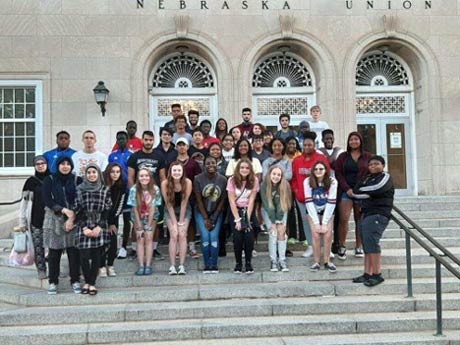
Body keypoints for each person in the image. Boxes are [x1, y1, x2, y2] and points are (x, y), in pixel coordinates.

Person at [352, 155, 394, 287]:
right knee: (367, 243)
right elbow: (355, 192)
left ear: (383, 165)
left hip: (378, 214)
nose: (373, 166)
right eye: (370, 165)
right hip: (365, 213)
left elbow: (378, 188)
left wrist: (365, 191)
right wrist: (366, 192)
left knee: (372, 242)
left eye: (376, 164)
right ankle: (367, 273)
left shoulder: (385, 177)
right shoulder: (367, 178)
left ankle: (377, 274)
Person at [42, 156, 81, 295]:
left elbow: (80, 200)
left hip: (74, 220)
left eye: (68, 164)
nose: (65, 166)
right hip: (54, 219)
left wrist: (72, 217)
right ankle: (53, 282)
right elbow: (47, 200)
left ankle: (75, 280)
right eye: (62, 164)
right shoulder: (50, 180)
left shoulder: (77, 180)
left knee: (74, 252)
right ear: (57, 165)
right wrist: (64, 210)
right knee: (54, 253)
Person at [73, 164, 112, 295]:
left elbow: (107, 209)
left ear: (98, 174)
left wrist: (99, 226)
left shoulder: (104, 189)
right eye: (89, 172)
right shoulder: (80, 189)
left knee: (96, 256)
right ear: (86, 175)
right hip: (84, 224)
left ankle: (92, 283)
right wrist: (84, 227)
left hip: (99, 224)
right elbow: (77, 209)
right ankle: (87, 281)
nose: (91, 175)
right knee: (84, 256)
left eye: (94, 172)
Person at [291, 132, 330, 258]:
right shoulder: (296, 160)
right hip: (302, 198)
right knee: (306, 221)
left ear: (314, 145)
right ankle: (311, 245)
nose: (307, 147)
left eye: (310, 145)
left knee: (321, 221)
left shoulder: (321, 159)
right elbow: (294, 179)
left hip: (318, 197)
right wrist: (296, 190)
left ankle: (324, 247)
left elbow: (327, 176)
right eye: (305, 144)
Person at [127, 130, 166, 259]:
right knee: (136, 223)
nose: (148, 142)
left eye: (150, 140)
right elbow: (131, 177)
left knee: (155, 222)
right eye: (146, 139)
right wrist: (134, 193)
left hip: (154, 195)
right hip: (138, 194)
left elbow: (162, 177)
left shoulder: (159, 156)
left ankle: (153, 249)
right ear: (142, 140)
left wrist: (161, 194)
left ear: (153, 141)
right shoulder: (135, 156)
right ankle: (134, 248)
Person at [335, 131, 372, 260]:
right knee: (344, 218)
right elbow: (338, 173)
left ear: (360, 141)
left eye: (356, 139)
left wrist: (362, 189)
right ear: (348, 142)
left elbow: (370, 173)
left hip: (361, 193)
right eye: (351, 139)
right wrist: (347, 188)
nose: (353, 141)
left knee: (359, 220)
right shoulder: (343, 157)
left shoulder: (367, 157)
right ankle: (342, 246)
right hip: (346, 191)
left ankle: (359, 246)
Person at [18, 155, 50, 279]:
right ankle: (41, 270)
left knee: (53, 247)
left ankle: (53, 270)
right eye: (38, 164)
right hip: (35, 219)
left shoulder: (52, 179)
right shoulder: (30, 182)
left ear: (47, 164)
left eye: (43, 163)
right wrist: (22, 221)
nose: (41, 165)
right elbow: (24, 203)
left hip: (52, 219)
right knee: (38, 246)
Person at [194, 156, 228, 273]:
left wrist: (213, 217)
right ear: (204, 165)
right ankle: (206, 264)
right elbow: (198, 200)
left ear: (217, 164)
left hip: (216, 212)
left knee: (213, 238)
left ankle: (214, 264)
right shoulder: (198, 179)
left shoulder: (223, 180)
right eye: (207, 163)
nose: (210, 165)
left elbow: (223, 200)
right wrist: (206, 218)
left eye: (213, 163)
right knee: (205, 238)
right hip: (201, 212)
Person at [304, 161, 338, 273]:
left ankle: (327, 261)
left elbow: (331, 201)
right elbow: (308, 202)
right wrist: (316, 222)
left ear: (325, 171)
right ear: (313, 171)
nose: (318, 171)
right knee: (316, 235)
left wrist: (324, 222)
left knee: (328, 235)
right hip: (312, 209)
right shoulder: (307, 181)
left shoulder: (332, 182)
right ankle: (316, 262)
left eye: (321, 169)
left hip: (327, 209)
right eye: (316, 169)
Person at [227, 158, 259, 274]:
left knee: (249, 236)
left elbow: (251, 201)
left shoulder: (254, 180)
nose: (244, 170)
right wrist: (238, 220)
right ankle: (238, 263)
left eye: (247, 168)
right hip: (235, 210)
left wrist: (247, 220)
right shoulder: (231, 180)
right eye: (242, 168)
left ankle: (248, 263)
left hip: (248, 210)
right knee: (237, 237)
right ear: (238, 169)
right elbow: (231, 201)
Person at [127, 167, 161, 276]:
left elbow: (152, 208)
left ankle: (148, 265)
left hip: (151, 215)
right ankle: (141, 265)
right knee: (140, 238)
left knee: (149, 237)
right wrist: (140, 225)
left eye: (146, 176)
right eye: (141, 176)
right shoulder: (134, 189)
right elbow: (134, 208)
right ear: (138, 177)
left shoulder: (155, 189)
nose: (144, 178)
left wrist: (149, 225)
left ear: (150, 177)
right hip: (138, 215)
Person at [161, 162, 192, 275]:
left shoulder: (187, 182)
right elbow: (168, 204)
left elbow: (184, 202)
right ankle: (172, 266)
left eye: (179, 170)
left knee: (182, 234)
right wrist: (174, 223)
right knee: (174, 234)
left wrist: (181, 222)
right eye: (174, 170)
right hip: (170, 209)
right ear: (170, 171)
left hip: (184, 209)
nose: (177, 172)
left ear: (183, 171)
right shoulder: (165, 183)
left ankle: (182, 265)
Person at [261, 165, 292, 272]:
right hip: (268, 210)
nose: (276, 176)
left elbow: (282, 204)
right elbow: (267, 205)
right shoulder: (264, 185)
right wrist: (273, 222)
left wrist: (279, 220)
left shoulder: (285, 185)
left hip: (282, 210)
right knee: (273, 233)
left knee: (281, 233)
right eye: (274, 174)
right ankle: (273, 261)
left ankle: (282, 260)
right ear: (269, 174)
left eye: (279, 174)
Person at [318, 129, 344, 254]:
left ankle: (337, 243)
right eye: (326, 138)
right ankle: (324, 245)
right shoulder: (318, 151)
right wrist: (333, 155)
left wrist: (332, 154)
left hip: (338, 187)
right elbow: (326, 164)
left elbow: (336, 165)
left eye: (330, 138)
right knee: (325, 217)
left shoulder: (340, 151)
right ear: (322, 140)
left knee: (338, 217)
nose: (329, 140)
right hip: (323, 188)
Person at [175, 138, 202, 259]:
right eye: (179, 145)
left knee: (190, 222)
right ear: (176, 147)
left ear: (187, 147)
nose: (181, 147)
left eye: (183, 145)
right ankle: (177, 247)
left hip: (190, 196)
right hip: (175, 196)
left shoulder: (193, 163)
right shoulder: (172, 162)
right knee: (176, 222)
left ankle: (191, 247)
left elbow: (197, 180)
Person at [100, 163, 127, 277]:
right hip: (100, 219)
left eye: (117, 172)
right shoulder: (102, 185)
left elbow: (120, 205)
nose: (115, 174)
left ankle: (110, 265)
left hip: (113, 218)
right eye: (112, 172)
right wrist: (104, 220)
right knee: (100, 244)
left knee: (113, 243)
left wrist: (111, 222)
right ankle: (101, 266)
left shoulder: (122, 187)